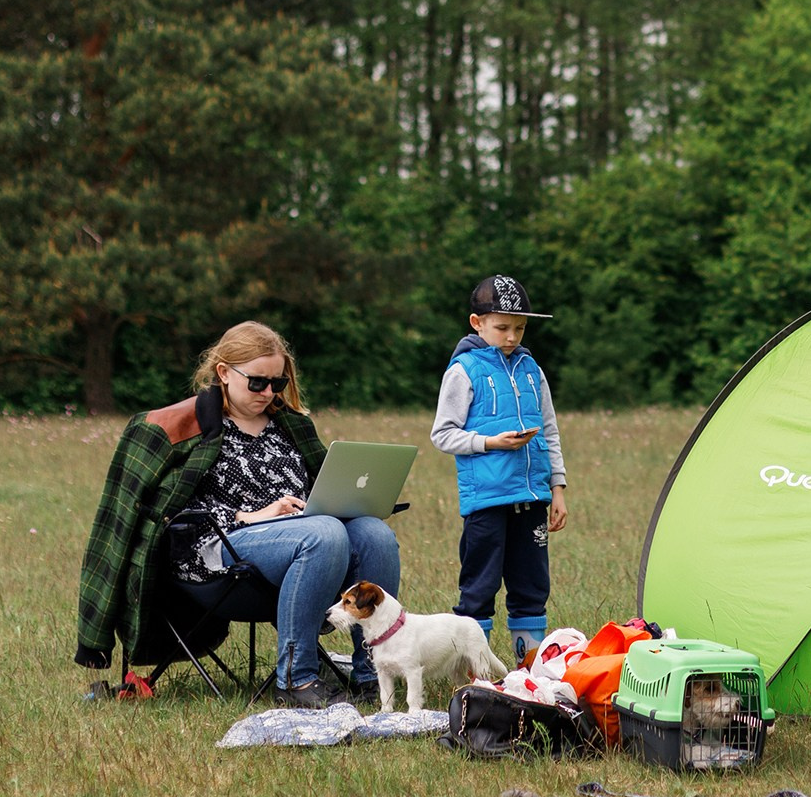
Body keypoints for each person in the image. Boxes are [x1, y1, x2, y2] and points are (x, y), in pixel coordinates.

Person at [74, 320, 400, 708]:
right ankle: (296, 679)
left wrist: (330, 503)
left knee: (374, 533)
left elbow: (318, 489)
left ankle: (372, 674)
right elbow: (161, 514)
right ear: (224, 373)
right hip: (216, 551)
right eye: (257, 382)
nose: (268, 393)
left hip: (302, 539)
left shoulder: (291, 425)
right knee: (324, 534)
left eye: (277, 383)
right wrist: (249, 515)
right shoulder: (175, 426)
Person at [431, 275, 570, 663]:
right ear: (477, 323)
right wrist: (491, 442)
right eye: (502, 327)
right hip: (487, 501)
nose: (512, 337)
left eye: (520, 328)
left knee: (532, 587)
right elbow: (442, 434)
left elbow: (549, 429)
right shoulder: (463, 370)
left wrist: (557, 487)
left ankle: (529, 670)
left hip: (533, 498)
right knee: (479, 587)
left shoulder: (531, 369)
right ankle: (475, 673)